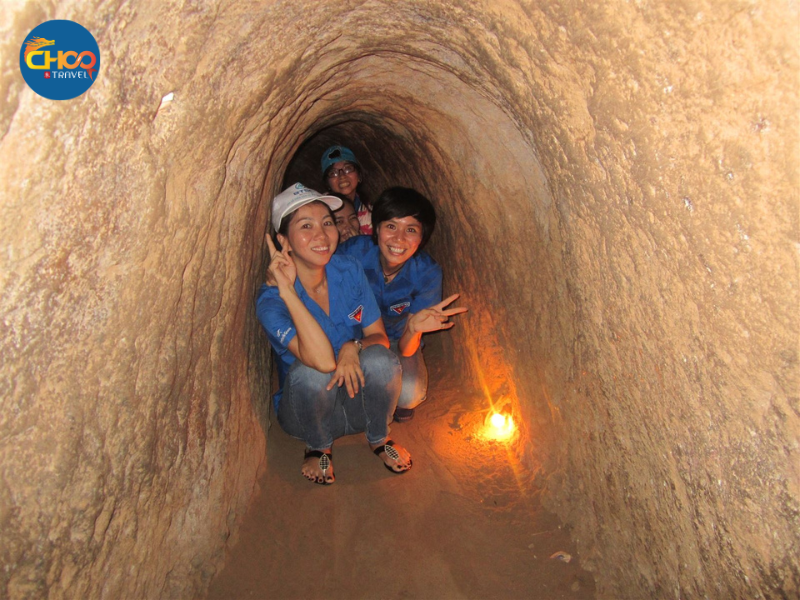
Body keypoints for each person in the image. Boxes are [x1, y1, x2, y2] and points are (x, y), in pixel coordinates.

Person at [256, 183, 413, 485]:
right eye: (306, 226)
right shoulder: (271, 301)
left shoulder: (347, 268)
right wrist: (288, 292)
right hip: (308, 411)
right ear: (282, 240)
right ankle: (318, 446)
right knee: (311, 372)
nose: (322, 234)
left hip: (356, 400)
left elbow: (378, 336)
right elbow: (323, 362)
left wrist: (353, 347)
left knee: (381, 358)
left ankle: (378, 437)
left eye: (327, 223)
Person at [337, 187, 466, 422]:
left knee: (408, 394)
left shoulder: (426, 272)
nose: (399, 239)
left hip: (397, 340)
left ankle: (387, 396)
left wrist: (413, 329)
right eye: (391, 226)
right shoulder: (353, 253)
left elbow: (407, 348)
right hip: (353, 335)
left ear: (422, 237)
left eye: (411, 230)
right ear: (376, 229)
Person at [321, 144, 372, 235]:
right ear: (327, 183)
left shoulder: (370, 212)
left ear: (359, 176)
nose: (342, 176)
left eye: (348, 169)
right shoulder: (320, 208)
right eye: (333, 173)